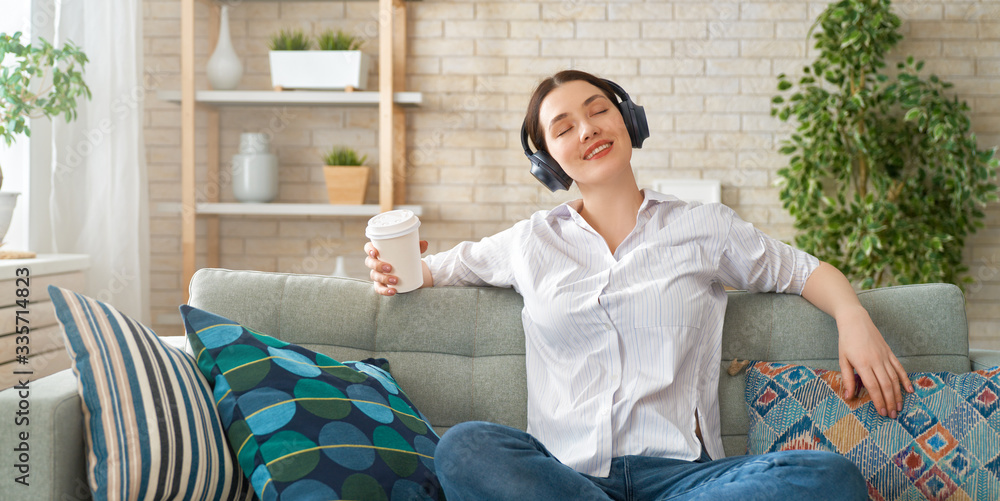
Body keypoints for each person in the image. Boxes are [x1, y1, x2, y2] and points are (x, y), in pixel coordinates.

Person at [364, 69, 913, 500]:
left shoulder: (705, 226)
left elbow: (803, 271)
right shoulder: (527, 242)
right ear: (548, 164)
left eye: (599, 110)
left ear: (629, 119)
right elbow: (427, 271)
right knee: (466, 448)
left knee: (827, 477)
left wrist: (853, 319)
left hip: (687, 483)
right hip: (565, 481)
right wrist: (395, 265)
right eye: (563, 128)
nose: (588, 129)